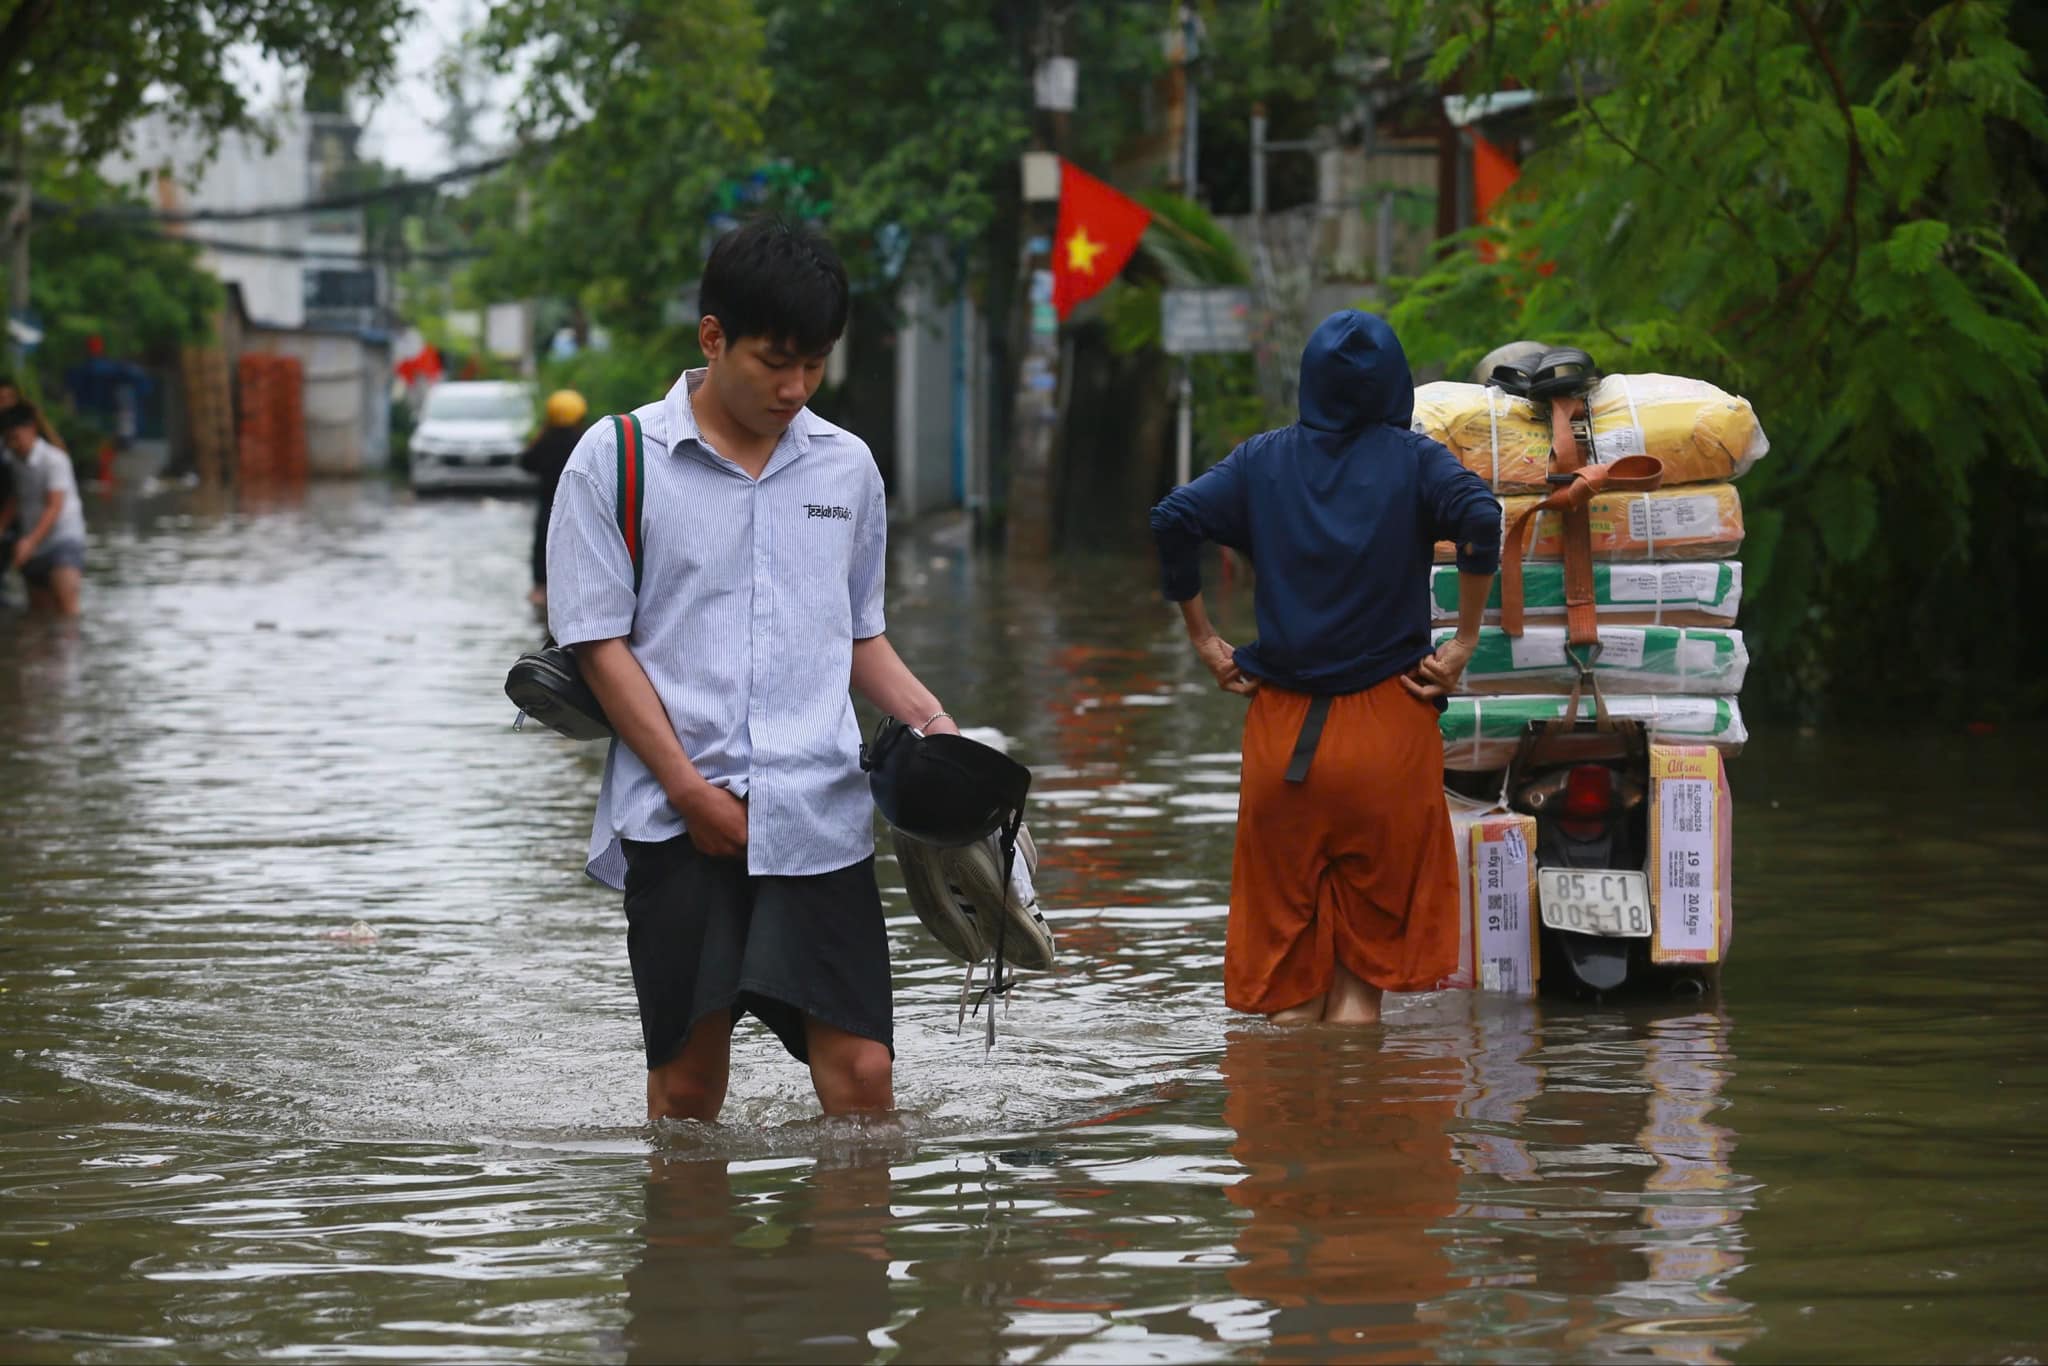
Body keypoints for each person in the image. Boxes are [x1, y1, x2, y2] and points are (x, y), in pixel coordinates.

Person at [547, 218, 958, 1123]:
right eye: (775, 361)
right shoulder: (616, 462)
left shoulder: (847, 468)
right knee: (689, 1095)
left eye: (815, 364)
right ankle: (694, 1264)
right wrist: (689, 791)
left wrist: (936, 729)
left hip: (818, 815)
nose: (795, 387)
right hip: (678, 823)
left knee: (863, 1082)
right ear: (711, 337)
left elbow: (856, 636)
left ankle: (845, 1264)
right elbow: (597, 643)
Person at [1148, 310, 1502, 1026]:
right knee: (1359, 988)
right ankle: (1359, 1128)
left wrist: (1206, 641)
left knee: (1289, 984)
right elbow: (1481, 517)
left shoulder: (1261, 461)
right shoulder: (1415, 460)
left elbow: (1172, 519)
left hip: (1284, 742)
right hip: (1388, 731)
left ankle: (1294, 1123)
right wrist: (1463, 640)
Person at [1, 402, 87, 617]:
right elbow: (17, 499)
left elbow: (54, 506)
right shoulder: (14, 461)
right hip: (32, 544)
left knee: (67, 610)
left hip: (62, 539)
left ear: (31, 428)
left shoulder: (54, 460)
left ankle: (70, 650)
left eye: (15, 437)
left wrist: (30, 541)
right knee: (39, 615)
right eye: (8, 439)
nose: (12, 444)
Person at [519, 388, 590, 608]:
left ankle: (541, 588)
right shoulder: (584, 440)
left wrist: (539, 435)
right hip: (578, 504)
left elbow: (526, 463)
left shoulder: (545, 441)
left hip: (548, 503)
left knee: (543, 544)